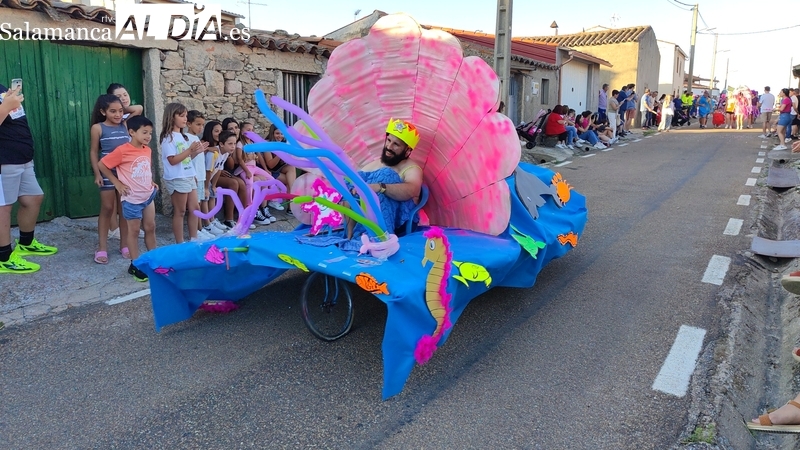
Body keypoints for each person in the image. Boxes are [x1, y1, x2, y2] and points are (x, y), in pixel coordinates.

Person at [0, 83, 58, 274]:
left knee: (33, 197)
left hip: (22, 157)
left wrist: (8, 100)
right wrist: (6, 106)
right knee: (2, 208)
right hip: (4, 160)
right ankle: (3, 258)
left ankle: (26, 243)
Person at [97, 115, 158, 282]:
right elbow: (102, 164)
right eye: (144, 132)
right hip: (132, 199)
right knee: (134, 231)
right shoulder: (122, 150)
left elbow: (144, 168)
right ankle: (135, 264)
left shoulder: (147, 150)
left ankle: (154, 260)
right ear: (132, 132)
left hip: (148, 195)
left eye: (150, 133)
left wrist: (151, 181)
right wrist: (116, 183)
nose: (148, 136)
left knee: (151, 227)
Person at [345, 119, 423, 242]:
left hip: (400, 224)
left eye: (396, 144)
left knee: (387, 175)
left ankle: (380, 238)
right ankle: (350, 235)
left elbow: (412, 189)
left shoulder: (412, 169)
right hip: (365, 221)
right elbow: (354, 181)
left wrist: (380, 187)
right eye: (389, 140)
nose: (389, 147)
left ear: (407, 151)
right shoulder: (378, 163)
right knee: (353, 181)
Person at [89, 94, 130, 264]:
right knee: (107, 207)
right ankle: (102, 247)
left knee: (125, 209)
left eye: (120, 111)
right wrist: (97, 173)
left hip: (124, 173)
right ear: (102, 111)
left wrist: (123, 108)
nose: (118, 114)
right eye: (113, 111)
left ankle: (124, 245)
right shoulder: (98, 128)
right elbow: (93, 152)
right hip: (106, 172)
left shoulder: (125, 125)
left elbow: (137, 109)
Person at [160, 103, 207, 243]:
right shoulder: (168, 138)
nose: (185, 119)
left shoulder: (182, 136)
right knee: (180, 211)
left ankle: (194, 238)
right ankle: (179, 243)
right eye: (181, 116)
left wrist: (195, 153)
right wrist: (190, 150)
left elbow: (185, 159)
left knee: (195, 208)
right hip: (177, 177)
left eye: (186, 115)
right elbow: (173, 160)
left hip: (188, 176)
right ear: (171, 117)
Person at [186, 110, 217, 239]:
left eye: (202, 125)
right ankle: (197, 231)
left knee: (198, 204)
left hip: (200, 175)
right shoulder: (187, 138)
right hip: (194, 176)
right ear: (189, 124)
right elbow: (188, 158)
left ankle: (200, 229)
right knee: (195, 205)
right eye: (198, 124)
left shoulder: (196, 138)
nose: (201, 128)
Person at [263, 124, 297, 211]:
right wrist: (280, 153)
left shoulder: (283, 142)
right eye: (277, 133)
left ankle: (292, 202)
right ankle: (291, 206)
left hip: (279, 169)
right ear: (272, 133)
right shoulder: (267, 144)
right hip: (269, 171)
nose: (280, 136)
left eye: (282, 134)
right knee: (290, 181)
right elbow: (270, 165)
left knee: (291, 168)